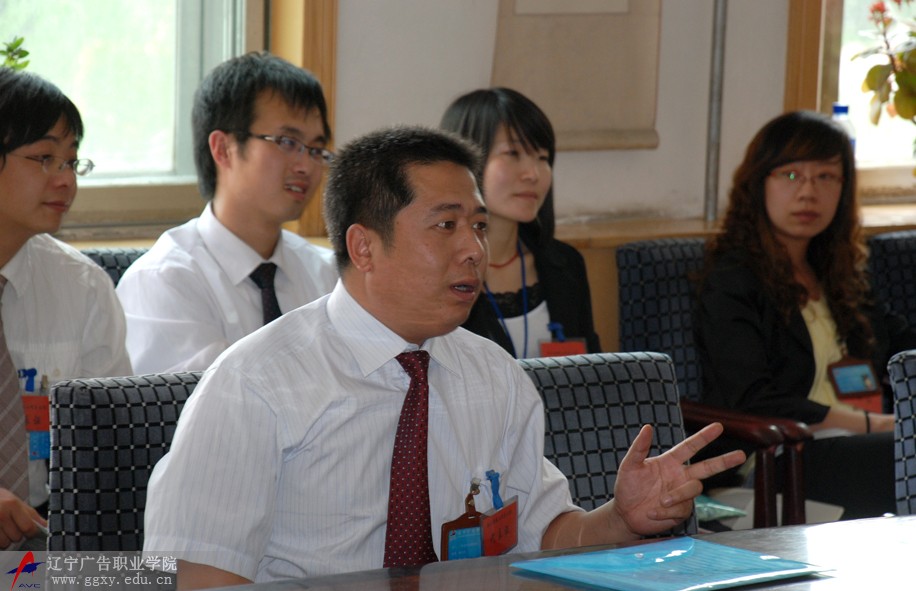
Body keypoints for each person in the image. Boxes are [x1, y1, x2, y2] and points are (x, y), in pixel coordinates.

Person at [142, 125, 745, 588]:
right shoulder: (255, 383)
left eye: (478, 226)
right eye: (446, 225)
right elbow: (194, 575)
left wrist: (621, 517)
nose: (473, 250)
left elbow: (545, 533)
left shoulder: (494, 376)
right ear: (364, 247)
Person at [695, 110, 916, 519]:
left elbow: (900, 344)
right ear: (759, 184)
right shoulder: (732, 280)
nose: (808, 193)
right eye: (791, 175)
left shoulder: (842, 275)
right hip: (777, 454)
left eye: (826, 176)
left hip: (857, 445)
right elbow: (752, 398)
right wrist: (877, 425)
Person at [116, 51, 338, 374]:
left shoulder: (328, 274)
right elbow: (201, 400)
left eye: (316, 150)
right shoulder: (165, 281)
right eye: (288, 142)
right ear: (223, 149)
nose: (306, 165)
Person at [0, 68, 132, 549]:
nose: (66, 180)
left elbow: (113, 444)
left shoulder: (83, 287)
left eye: (73, 162)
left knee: (161, 577)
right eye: (45, 158)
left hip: (47, 540)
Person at [440, 88, 600, 357]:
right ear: (465, 162)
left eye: (542, 158)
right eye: (513, 153)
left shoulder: (565, 264)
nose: (532, 174)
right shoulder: (434, 273)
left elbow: (592, 373)